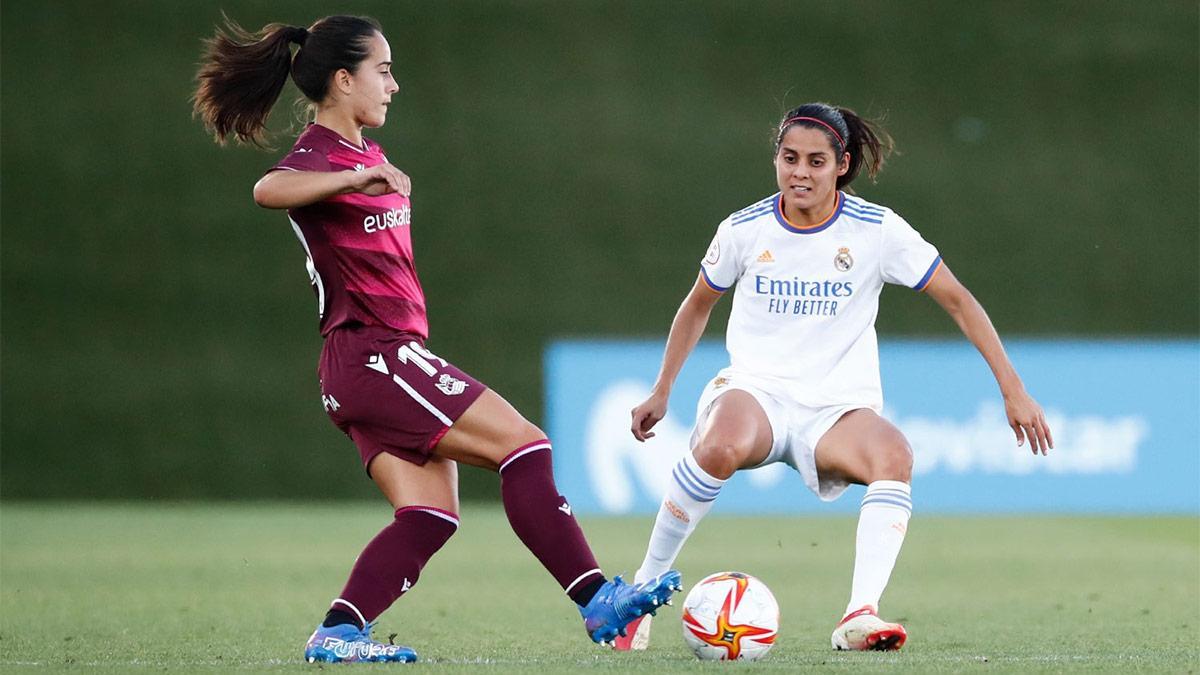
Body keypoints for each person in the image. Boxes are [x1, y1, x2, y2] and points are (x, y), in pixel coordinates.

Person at [191, 14, 680, 664]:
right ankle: (597, 600)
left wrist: (363, 175)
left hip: (375, 361)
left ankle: (338, 631)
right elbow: (266, 188)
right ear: (343, 78)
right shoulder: (324, 156)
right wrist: (347, 180)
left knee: (430, 514)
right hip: (373, 354)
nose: (393, 85)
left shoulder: (369, 155)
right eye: (382, 70)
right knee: (526, 446)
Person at [616, 102, 1053, 652]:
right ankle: (641, 593)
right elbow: (697, 306)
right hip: (756, 391)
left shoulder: (877, 229)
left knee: (894, 455)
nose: (800, 172)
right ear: (775, 158)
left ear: (841, 164)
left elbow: (959, 300)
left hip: (835, 409)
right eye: (789, 158)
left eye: (816, 161)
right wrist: (663, 389)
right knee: (721, 442)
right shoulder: (744, 229)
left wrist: (1013, 390)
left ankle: (859, 615)